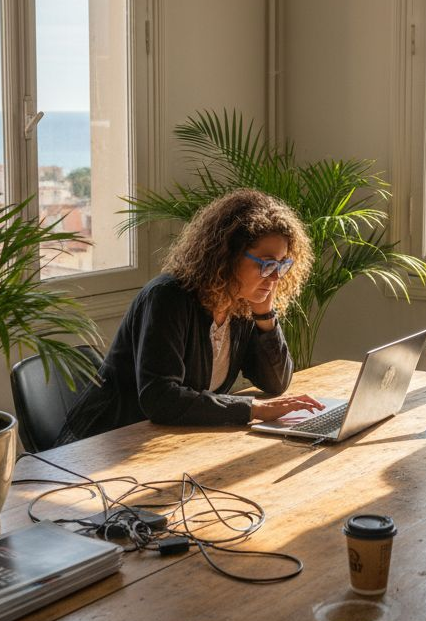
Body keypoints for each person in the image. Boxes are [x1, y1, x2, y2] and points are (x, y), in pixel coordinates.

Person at [58, 189, 323, 441]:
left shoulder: (241, 304)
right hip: (99, 444)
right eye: (266, 264)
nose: (276, 277)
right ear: (227, 255)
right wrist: (254, 409)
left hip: (163, 443)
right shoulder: (168, 297)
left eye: (282, 264)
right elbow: (160, 398)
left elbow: (275, 382)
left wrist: (265, 315)